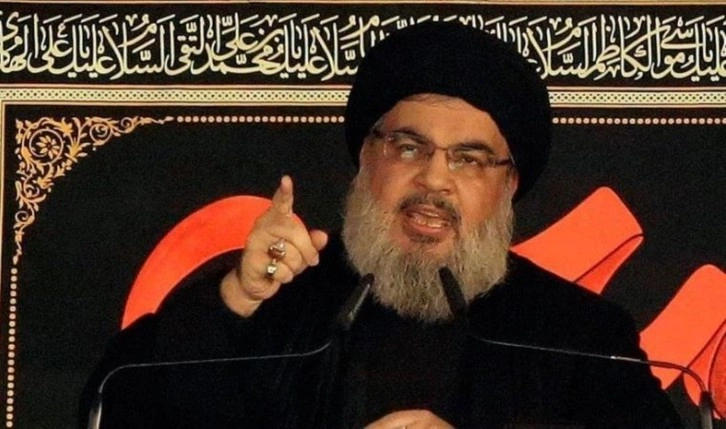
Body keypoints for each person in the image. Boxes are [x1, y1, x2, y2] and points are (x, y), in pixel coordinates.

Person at [81, 22, 684, 428]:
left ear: (509, 185)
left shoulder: (578, 336)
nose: (434, 180)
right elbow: (113, 408)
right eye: (409, 148)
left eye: (469, 159)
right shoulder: (277, 305)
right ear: (366, 157)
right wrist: (235, 299)